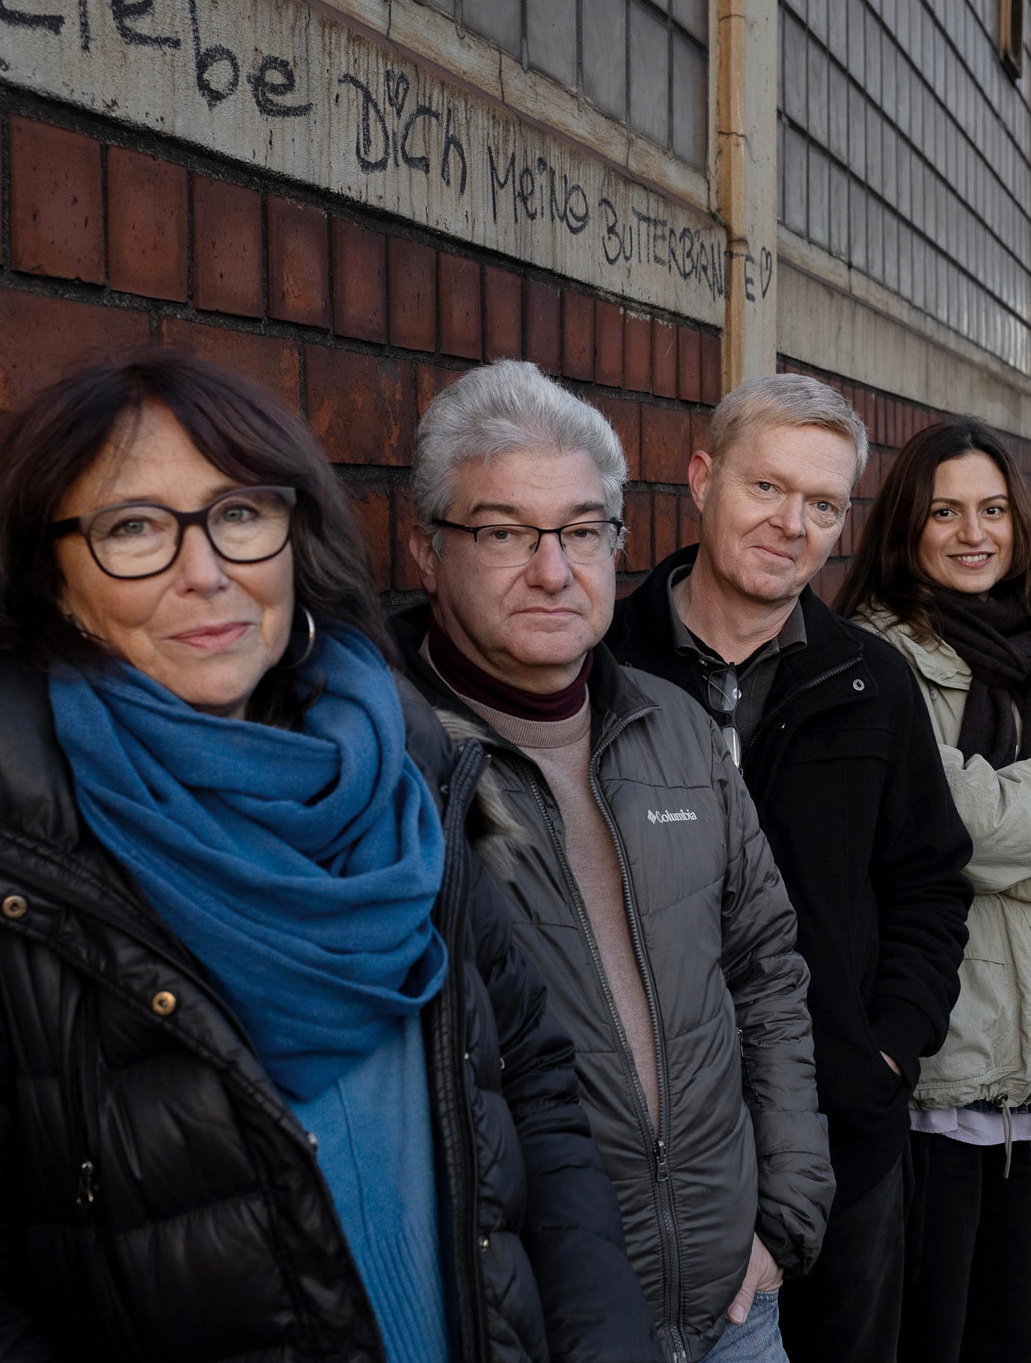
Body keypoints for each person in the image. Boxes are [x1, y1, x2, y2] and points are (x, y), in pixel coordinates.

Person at [0, 350, 661, 1363]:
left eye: (239, 513)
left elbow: (529, 1082)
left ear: (293, 534)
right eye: (132, 527)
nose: (205, 569)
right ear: (55, 579)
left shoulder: (406, 775)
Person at [394, 359, 834, 1363]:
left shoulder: (671, 725)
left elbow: (764, 966)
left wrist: (787, 1200)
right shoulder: (391, 763)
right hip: (541, 1319)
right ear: (424, 548)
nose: (553, 569)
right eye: (504, 531)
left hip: (734, 1302)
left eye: (582, 530)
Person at [606, 374, 974, 1363]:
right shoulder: (603, 667)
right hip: (644, 1148)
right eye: (765, 487)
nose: (790, 524)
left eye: (821, 503)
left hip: (841, 1135)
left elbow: (929, 879)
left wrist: (885, 1050)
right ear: (699, 478)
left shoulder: (868, 678)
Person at [833, 419, 1031, 1363]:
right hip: (938, 1076)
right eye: (945, 511)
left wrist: (995, 843)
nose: (974, 533)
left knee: (1006, 1341)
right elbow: (940, 817)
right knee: (928, 1340)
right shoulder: (873, 662)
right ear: (906, 528)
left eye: (993, 509)